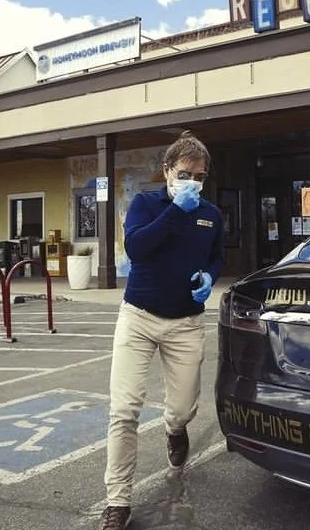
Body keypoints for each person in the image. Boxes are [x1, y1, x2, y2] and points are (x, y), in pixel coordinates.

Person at [99, 130, 224, 530]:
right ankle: (117, 500)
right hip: (139, 316)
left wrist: (210, 275)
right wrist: (175, 211)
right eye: (185, 174)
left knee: (185, 407)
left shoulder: (211, 214)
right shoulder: (145, 204)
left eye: (200, 177)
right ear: (167, 171)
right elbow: (137, 248)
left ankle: (174, 428)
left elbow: (217, 255)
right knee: (124, 409)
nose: (193, 183)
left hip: (186, 323)